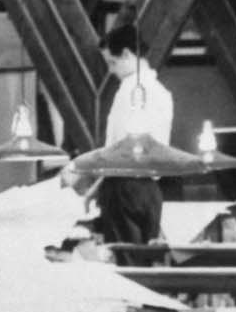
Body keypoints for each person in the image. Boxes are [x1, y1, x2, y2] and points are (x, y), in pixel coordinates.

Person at [66, 19, 173, 247]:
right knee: (146, 258)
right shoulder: (163, 93)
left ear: (126, 54)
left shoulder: (129, 91)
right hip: (150, 191)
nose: (110, 70)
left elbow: (120, 149)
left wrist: (81, 169)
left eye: (112, 63)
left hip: (124, 188)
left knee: (125, 262)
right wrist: (97, 186)